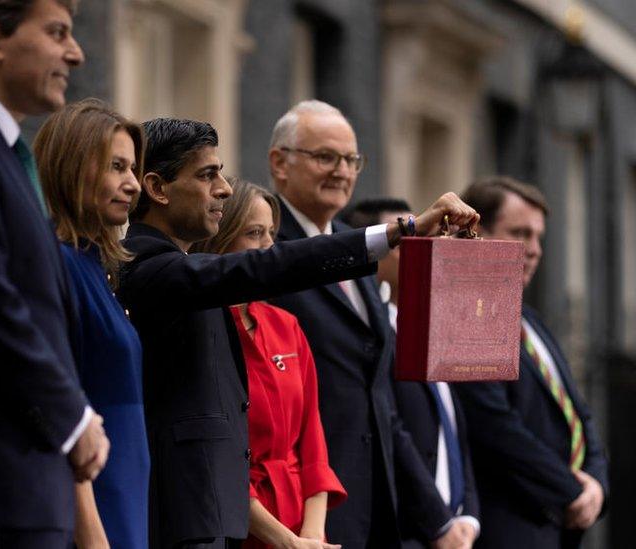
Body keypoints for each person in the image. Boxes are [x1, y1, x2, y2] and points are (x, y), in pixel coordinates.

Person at [117, 116, 477, 548]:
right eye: (208, 175)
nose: (224, 189)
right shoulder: (151, 266)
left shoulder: (180, 269)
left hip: (219, 518)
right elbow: (270, 266)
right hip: (183, 521)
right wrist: (404, 230)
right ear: (157, 188)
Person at [0, 1, 109, 546]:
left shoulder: (5, 150)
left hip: (32, 477)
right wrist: (70, 416)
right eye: (57, 33)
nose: (75, 54)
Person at [267, 100, 471, 549]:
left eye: (351, 160)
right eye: (325, 157)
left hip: (376, 511)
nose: (341, 171)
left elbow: (382, 407)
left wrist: (436, 522)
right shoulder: (264, 251)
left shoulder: (359, 257)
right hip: (299, 514)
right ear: (279, 163)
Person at [454, 177, 608, 548]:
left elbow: (578, 413)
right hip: (509, 526)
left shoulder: (531, 320)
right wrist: (572, 490)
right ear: (476, 233)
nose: (534, 250)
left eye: (539, 237)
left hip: (556, 526)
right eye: (520, 233)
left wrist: (597, 485)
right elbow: (495, 426)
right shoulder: (465, 318)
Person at [192, 180, 347, 549]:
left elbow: (312, 439)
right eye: (254, 234)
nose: (269, 248)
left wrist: (311, 534)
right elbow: (216, 458)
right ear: (221, 241)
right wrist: (284, 541)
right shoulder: (204, 328)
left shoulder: (286, 325)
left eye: (272, 234)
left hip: (302, 526)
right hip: (237, 526)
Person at [34, 98, 149, 549]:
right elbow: (61, 405)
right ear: (73, 167)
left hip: (127, 488)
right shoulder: (57, 265)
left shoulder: (95, 267)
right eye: (117, 167)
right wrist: (93, 535)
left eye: (134, 168)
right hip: (95, 506)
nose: (134, 185)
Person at [343, 199, 481, 548]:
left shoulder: (433, 331)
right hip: (410, 531)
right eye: (403, 243)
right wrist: (439, 524)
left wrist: (467, 516)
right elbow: (392, 429)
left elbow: (455, 430)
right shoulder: (374, 338)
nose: (420, 250)